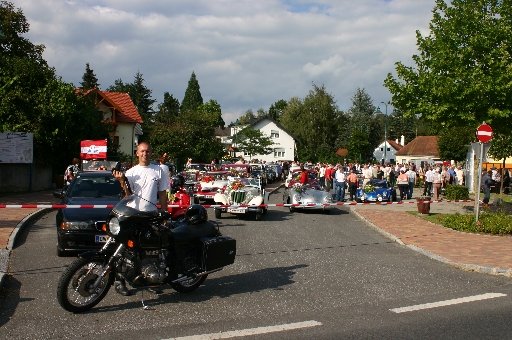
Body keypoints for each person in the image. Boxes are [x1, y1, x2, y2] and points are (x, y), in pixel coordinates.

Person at [112, 141, 169, 296]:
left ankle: (150, 280)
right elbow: (127, 196)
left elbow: (163, 194)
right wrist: (121, 181)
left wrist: (165, 213)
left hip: (151, 215)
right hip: (133, 215)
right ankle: (120, 281)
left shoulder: (159, 171)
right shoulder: (130, 173)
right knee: (124, 249)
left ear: (151, 153)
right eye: (142, 151)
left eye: (148, 151)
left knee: (150, 250)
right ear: (137, 153)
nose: (145, 154)